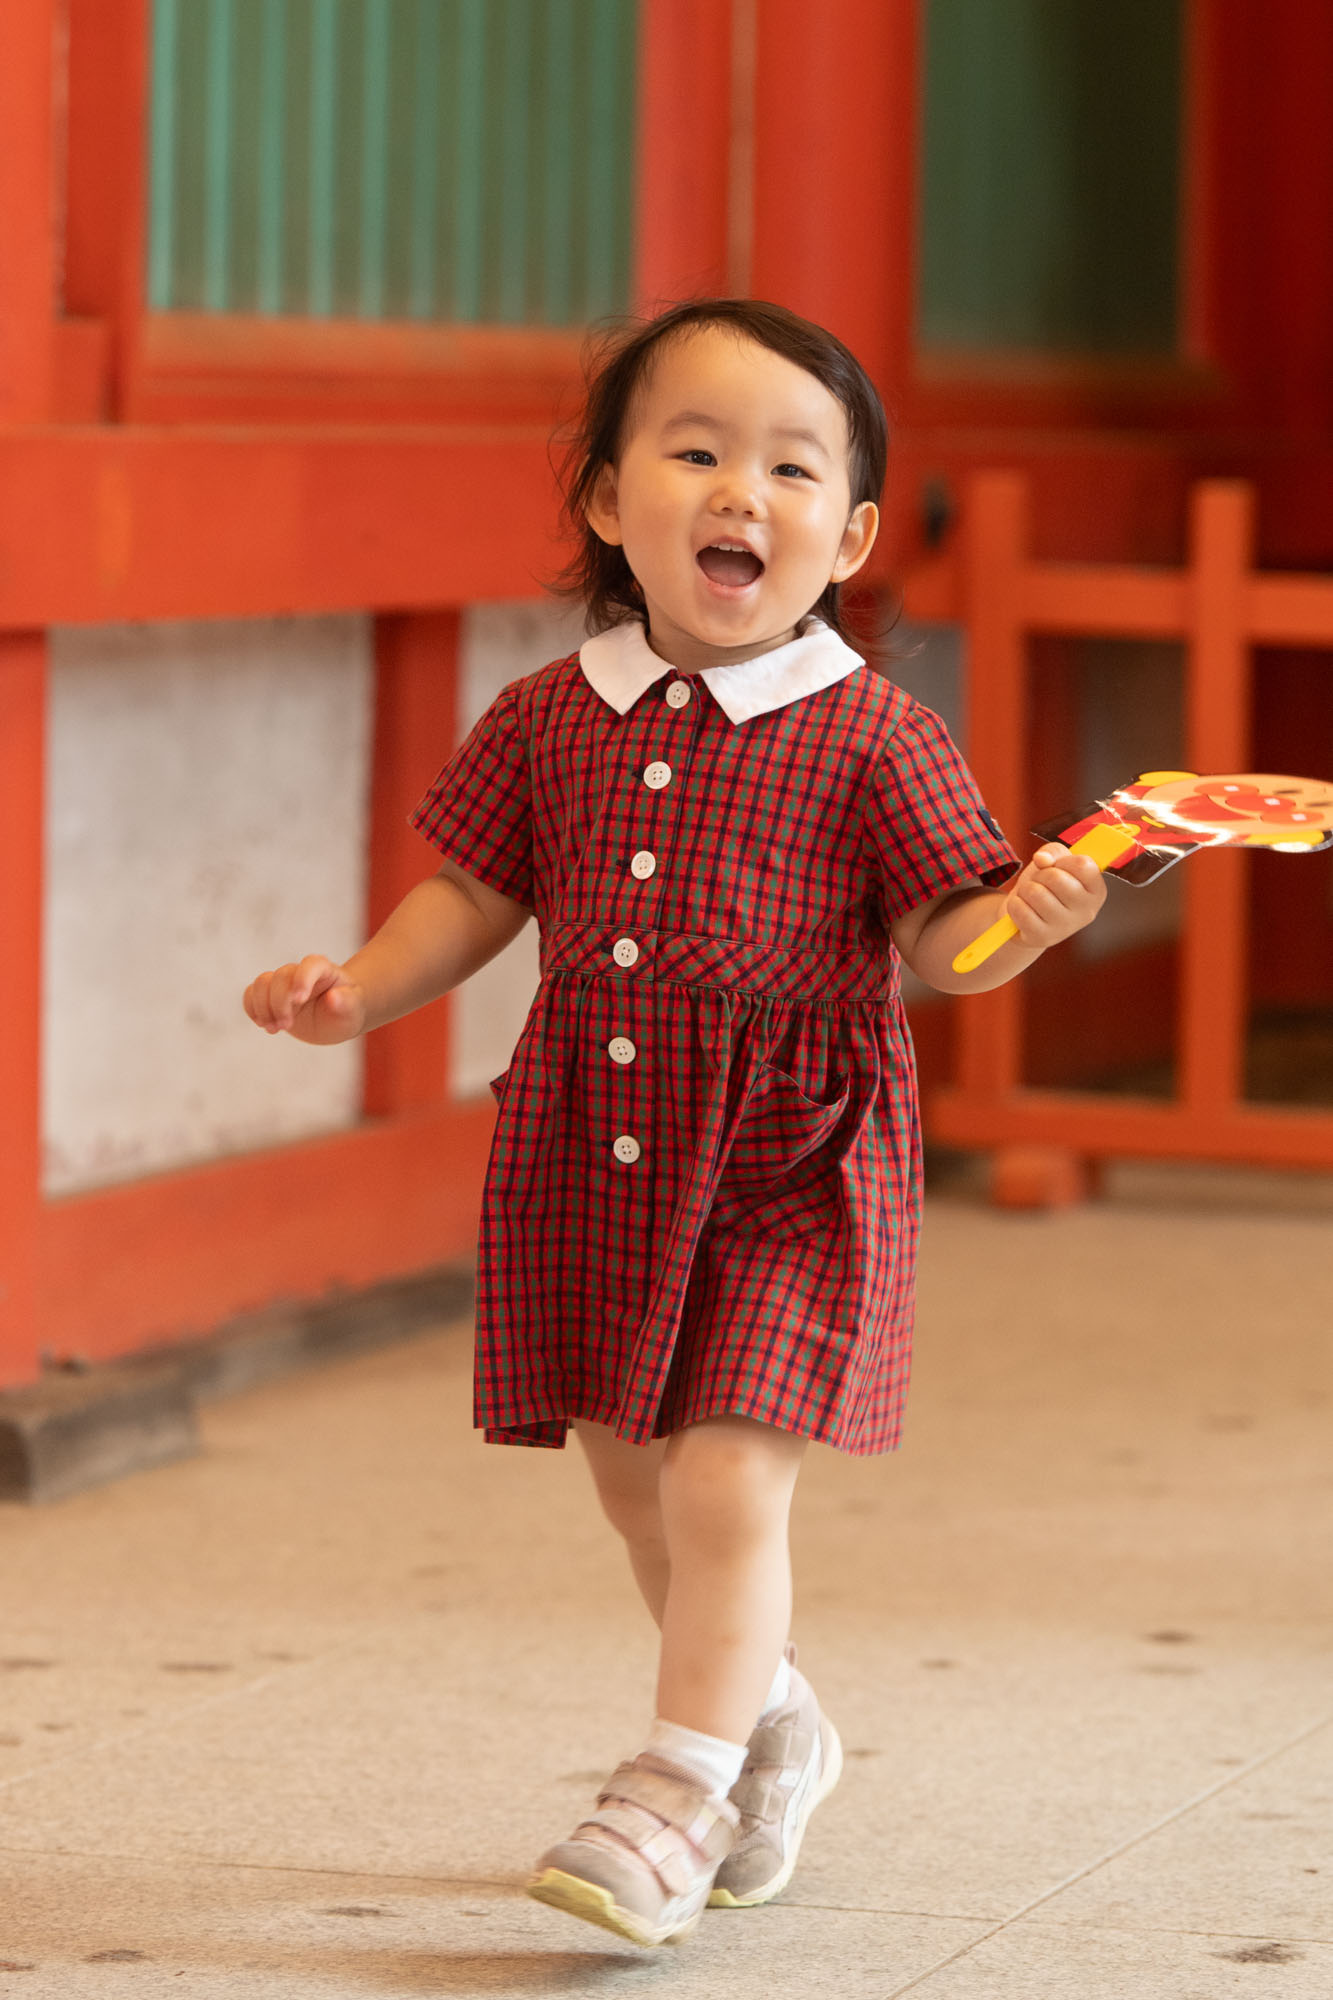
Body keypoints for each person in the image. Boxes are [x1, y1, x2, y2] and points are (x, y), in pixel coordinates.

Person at [243, 299, 1107, 1950]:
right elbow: (474, 886)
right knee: (632, 1485)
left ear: (846, 533)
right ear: (605, 498)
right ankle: (774, 1723)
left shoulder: (872, 733)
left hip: (794, 1164)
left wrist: (1029, 922)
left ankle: (670, 1786)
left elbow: (948, 937)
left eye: (791, 468)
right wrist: (358, 988)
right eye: (696, 452)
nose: (741, 492)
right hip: (598, 1142)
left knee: (722, 1488)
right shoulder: (548, 715)